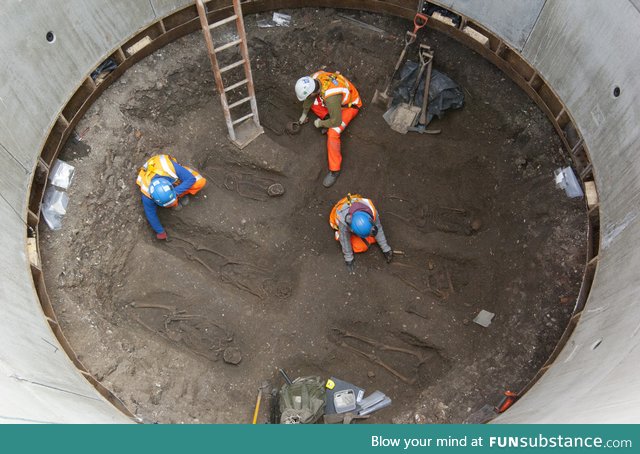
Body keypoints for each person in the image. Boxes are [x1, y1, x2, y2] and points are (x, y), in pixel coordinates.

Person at [295, 71, 362, 188]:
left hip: (350, 106)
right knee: (314, 104)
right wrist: (304, 113)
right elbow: (310, 99)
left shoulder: (330, 98)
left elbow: (336, 121)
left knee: (333, 133)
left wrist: (320, 123)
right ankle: (328, 119)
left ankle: (335, 170)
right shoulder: (313, 78)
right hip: (335, 102)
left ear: (312, 92)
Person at [136, 154, 206, 240]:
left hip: (167, 173)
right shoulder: (147, 195)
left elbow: (191, 179)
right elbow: (151, 214)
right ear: (153, 199)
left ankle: (178, 196)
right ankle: (174, 202)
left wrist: (176, 193)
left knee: (200, 182)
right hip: (158, 179)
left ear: (170, 185)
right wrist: (160, 232)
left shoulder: (169, 167)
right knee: (170, 201)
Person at [329, 194, 393, 271]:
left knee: (375, 236)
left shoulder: (372, 213)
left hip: (353, 212)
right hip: (340, 220)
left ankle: (366, 236)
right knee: (359, 247)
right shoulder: (344, 223)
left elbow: (378, 228)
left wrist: (386, 248)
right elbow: (345, 239)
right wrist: (349, 258)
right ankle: (338, 234)